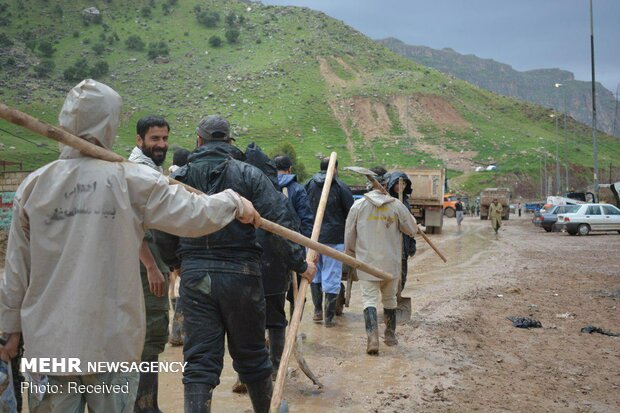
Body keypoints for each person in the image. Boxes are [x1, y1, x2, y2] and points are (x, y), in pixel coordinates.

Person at [0, 80, 260, 413]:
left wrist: (9, 328)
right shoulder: (132, 180)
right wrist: (233, 201)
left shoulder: (34, 186)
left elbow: (15, 270)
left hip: (50, 345)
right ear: (110, 124)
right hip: (113, 343)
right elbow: (195, 216)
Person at [156, 115, 316, 413]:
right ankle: (266, 408)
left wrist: (175, 263)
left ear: (199, 141)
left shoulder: (179, 179)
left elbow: (161, 229)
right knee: (253, 356)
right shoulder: (249, 175)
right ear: (229, 142)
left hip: (195, 276)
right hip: (241, 275)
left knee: (199, 361)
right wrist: (298, 263)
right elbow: (279, 221)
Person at [128, 115, 172, 413]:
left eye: (165, 138)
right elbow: (132, 225)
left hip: (149, 267)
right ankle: (145, 407)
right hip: (145, 272)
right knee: (148, 336)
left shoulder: (150, 170)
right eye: (154, 138)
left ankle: (145, 404)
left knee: (148, 338)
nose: (161, 144)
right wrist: (151, 266)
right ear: (139, 139)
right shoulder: (138, 173)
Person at [344, 183, 419, 355]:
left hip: (366, 263)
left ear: (370, 186)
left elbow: (349, 235)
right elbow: (412, 229)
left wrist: (350, 253)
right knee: (390, 299)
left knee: (369, 300)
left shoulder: (358, 205)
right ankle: (390, 335)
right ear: (385, 185)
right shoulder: (396, 205)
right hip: (390, 264)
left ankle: (372, 339)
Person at [304, 158, 354, 327]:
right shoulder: (340, 186)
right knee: (331, 277)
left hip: (311, 239)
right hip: (333, 240)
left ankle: (317, 312)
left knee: (314, 274)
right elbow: (351, 211)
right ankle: (329, 318)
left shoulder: (308, 184)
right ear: (336, 168)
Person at [274, 155, 315, 318]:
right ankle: (294, 325)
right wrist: (309, 246)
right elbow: (306, 220)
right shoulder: (298, 189)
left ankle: (275, 333)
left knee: (273, 292)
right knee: (296, 292)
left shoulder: (264, 186)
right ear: (290, 169)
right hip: (295, 245)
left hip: (272, 246)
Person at [385, 172, 416, 291]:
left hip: (404, 240)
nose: (400, 186)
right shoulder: (388, 200)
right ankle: (390, 296)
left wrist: (412, 240)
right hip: (390, 240)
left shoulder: (405, 201)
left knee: (402, 271)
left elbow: (409, 223)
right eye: (397, 183)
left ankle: (398, 294)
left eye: (403, 184)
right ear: (392, 184)